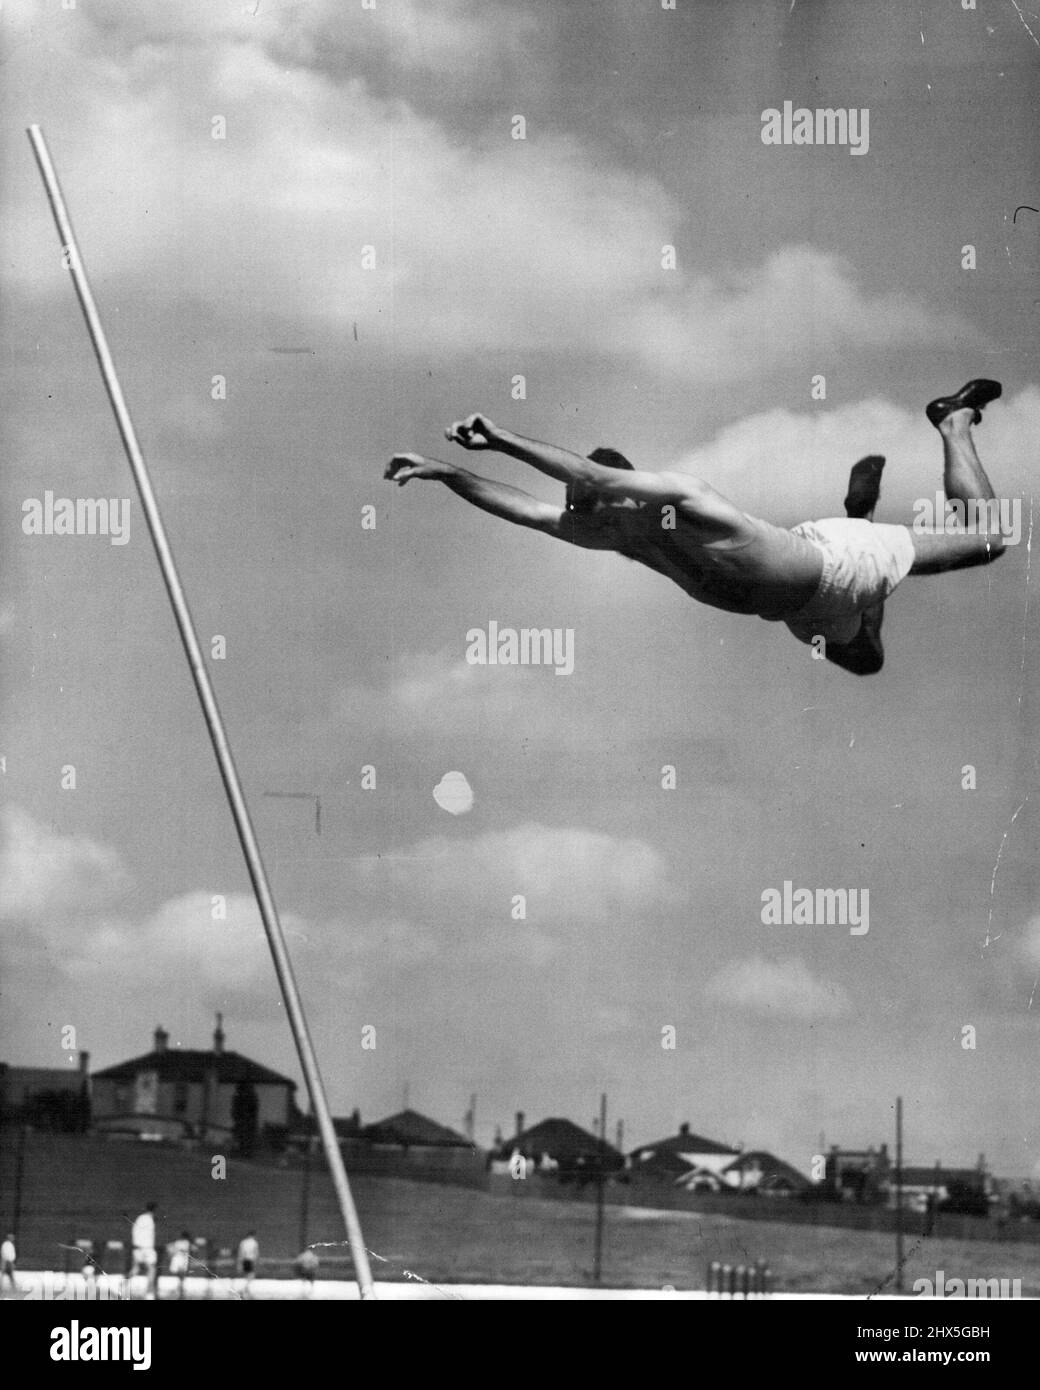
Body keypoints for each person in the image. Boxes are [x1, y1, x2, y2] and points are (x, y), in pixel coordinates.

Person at [384, 379, 1008, 676]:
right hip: (801, 606)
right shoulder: (613, 533)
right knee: (866, 660)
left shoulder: (683, 496)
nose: (577, 516)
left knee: (990, 539)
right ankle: (861, 512)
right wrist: (446, 473)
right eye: (577, 505)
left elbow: (589, 480)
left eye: (587, 501)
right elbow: (520, 508)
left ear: (620, 494)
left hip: (840, 562)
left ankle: (952, 423)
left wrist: (501, 439)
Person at [130, 1202, 159, 1300]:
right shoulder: (149, 1220)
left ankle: (123, 1289)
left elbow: (135, 1233)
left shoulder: (139, 1218)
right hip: (147, 1248)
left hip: (137, 1248)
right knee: (151, 1270)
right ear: (154, 1210)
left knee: (135, 1270)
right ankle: (149, 1294)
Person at [167, 1230, 192, 1300]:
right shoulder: (183, 1242)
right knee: (180, 1278)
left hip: (180, 1261)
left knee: (180, 1278)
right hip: (179, 1261)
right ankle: (179, 1292)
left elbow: (172, 1249)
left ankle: (179, 1292)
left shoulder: (182, 1242)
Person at [237, 1230, 259, 1297]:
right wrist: (255, 1261)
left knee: (247, 1276)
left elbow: (240, 1253)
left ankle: (245, 1290)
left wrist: (239, 1263)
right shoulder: (254, 1243)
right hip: (250, 1260)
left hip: (244, 1260)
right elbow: (256, 1253)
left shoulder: (243, 1242)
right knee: (251, 1276)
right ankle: (244, 1289)